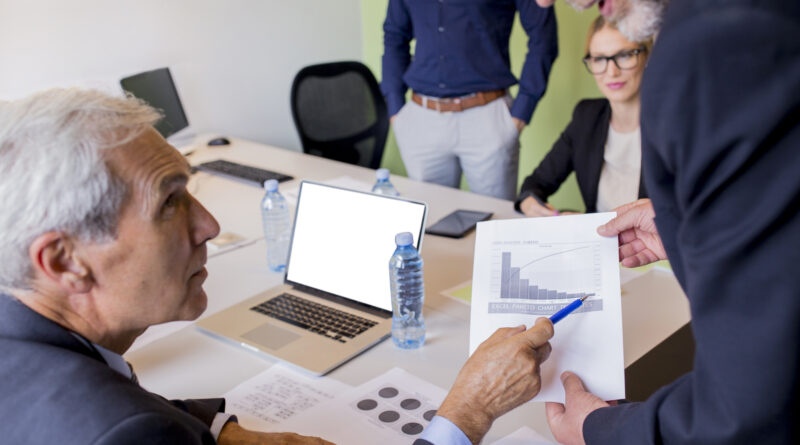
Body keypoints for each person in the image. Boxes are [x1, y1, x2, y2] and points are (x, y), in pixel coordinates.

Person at [0, 88, 556, 444]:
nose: (209, 225)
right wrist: (468, 412)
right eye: (169, 202)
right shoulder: (122, 433)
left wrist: (224, 432)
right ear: (64, 261)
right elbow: (128, 422)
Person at [534, 0, 799, 444]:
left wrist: (599, 428)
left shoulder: (712, 44)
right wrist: (680, 228)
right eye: (598, 59)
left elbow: (745, 403)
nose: (548, 1)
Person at [381, 0, 558, 200]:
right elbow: (395, 35)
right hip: (423, 118)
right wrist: (396, 108)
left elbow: (543, 36)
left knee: (495, 222)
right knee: (430, 220)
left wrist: (522, 111)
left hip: (487, 116)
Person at [516, 16, 650, 217]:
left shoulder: (679, 126)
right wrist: (529, 203)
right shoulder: (587, 116)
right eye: (599, 59)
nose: (611, 72)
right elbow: (535, 184)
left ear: (647, 58)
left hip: (653, 247)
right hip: (598, 242)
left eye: (624, 55)